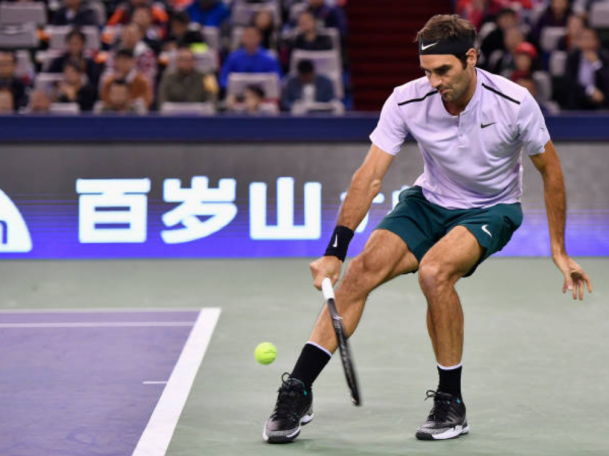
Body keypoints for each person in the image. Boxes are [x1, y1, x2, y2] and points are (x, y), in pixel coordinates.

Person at [263, 14, 592, 444]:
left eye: (444, 71)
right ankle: (298, 390)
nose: (435, 82)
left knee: (435, 273)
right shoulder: (405, 101)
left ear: (470, 59)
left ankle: (451, 402)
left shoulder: (513, 102)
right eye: (427, 72)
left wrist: (559, 250)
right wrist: (334, 251)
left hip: (491, 209)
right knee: (360, 272)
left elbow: (551, 172)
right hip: (428, 201)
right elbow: (369, 177)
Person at [219, 26, 282, 90]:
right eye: (248, 36)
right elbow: (223, 79)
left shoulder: (270, 59)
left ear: (260, 38)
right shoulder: (233, 57)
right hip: (238, 96)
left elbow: (278, 81)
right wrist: (234, 87)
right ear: (242, 38)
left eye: (253, 36)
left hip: (263, 95)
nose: (250, 39)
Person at [564, 27, 609, 110]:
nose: (587, 41)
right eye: (583, 38)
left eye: (590, 38)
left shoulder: (604, 58)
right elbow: (570, 81)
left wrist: (597, 64)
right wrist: (590, 90)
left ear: (596, 42)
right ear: (578, 42)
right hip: (577, 100)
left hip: (601, 101)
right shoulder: (572, 58)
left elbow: (607, 81)